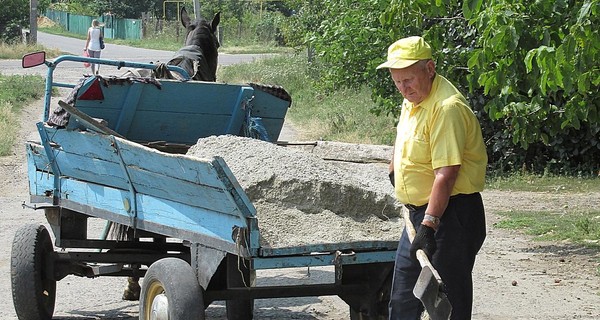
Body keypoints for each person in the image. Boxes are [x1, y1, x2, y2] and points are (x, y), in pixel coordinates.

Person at [376, 36, 488, 320]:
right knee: (402, 301)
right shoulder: (412, 99)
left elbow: (446, 175)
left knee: (447, 307)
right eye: (397, 81)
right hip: (419, 216)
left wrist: (430, 225)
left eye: (409, 80)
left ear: (430, 68)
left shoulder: (446, 108)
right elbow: (403, 137)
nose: (404, 88)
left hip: (449, 217)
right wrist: (395, 169)